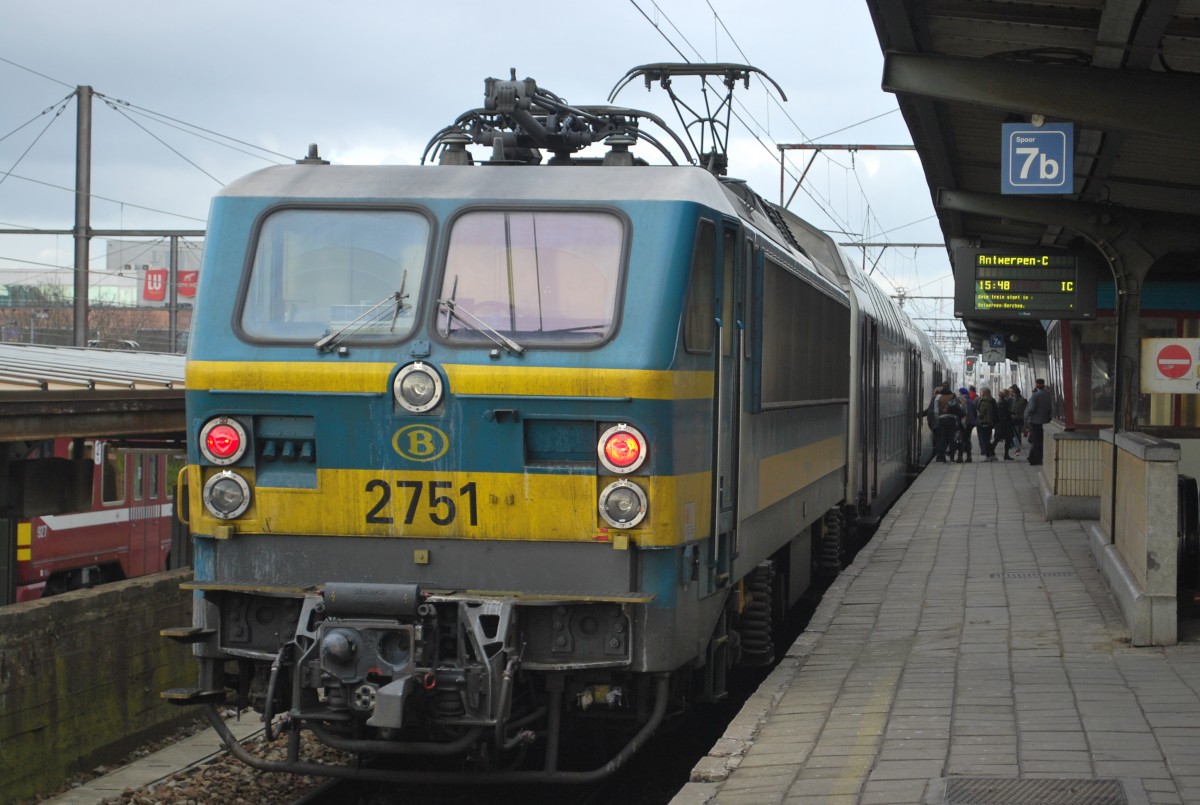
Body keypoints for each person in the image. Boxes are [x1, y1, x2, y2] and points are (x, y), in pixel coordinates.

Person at [925, 383, 963, 463]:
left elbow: (934, 410)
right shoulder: (952, 396)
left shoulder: (937, 398)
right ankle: (952, 457)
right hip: (951, 420)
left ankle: (942, 457)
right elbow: (958, 408)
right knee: (952, 439)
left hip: (941, 420)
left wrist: (935, 421)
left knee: (942, 439)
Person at [1026, 378, 1051, 466]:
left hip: (1035, 421)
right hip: (1045, 420)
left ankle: (1035, 459)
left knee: (1035, 441)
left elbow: (1032, 408)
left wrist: (1028, 415)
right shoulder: (1048, 395)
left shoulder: (1035, 395)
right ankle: (1039, 457)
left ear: (1036, 384)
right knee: (1041, 440)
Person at [989, 387, 1014, 461]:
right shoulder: (1003, 402)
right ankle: (1001, 454)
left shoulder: (1001, 401)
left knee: (998, 439)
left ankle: (992, 453)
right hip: (1004, 424)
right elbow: (1004, 413)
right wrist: (1010, 415)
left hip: (1000, 424)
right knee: (1003, 439)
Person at [955, 386, 976, 463]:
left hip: (961, 423)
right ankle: (969, 456)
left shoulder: (959, 400)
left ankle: (960, 457)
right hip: (970, 423)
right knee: (967, 439)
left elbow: (956, 412)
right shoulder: (971, 401)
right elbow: (975, 413)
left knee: (960, 439)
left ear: (961, 393)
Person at [976, 386, 996, 459]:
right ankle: (992, 454)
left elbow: (981, 414)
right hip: (990, 423)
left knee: (985, 440)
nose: (980, 394)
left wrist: (978, 413)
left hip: (984, 422)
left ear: (984, 393)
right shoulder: (992, 400)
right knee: (988, 439)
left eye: (981, 392)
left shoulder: (984, 402)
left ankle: (989, 455)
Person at [1009, 385, 1027, 456]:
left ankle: (1017, 448)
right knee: (1019, 433)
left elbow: (1013, 409)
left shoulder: (1014, 400)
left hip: (1015, 418)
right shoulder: (1023, 400)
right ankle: (1019, 445)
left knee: (1015, 434)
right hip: (1022, 419)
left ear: (1014, 393)